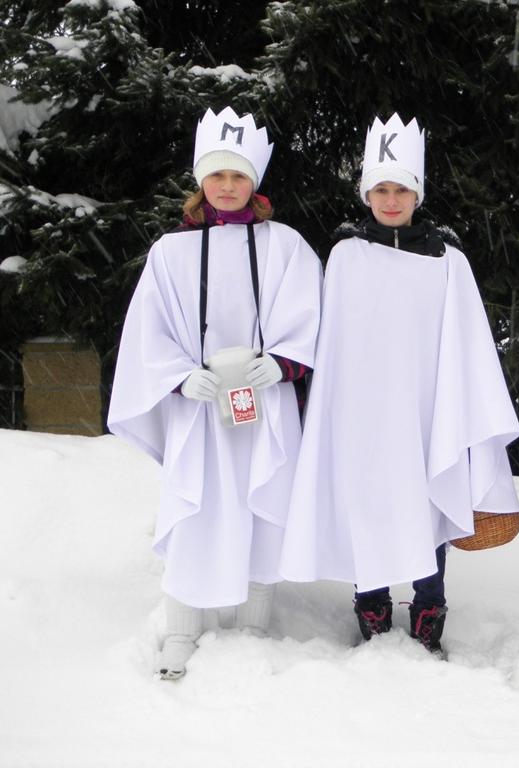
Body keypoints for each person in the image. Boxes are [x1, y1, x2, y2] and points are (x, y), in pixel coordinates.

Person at [278, 114, 519, 658]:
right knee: (370, 501)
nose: (392, 200)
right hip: (363, 410)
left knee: (428, 498)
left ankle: (430, 599)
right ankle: (372, 599)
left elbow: (467, 343)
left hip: (427, 406)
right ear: (368, 194)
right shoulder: (345, 257)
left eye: (402, 189)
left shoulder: (446, 260)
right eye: (381, 190)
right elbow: (332, 339)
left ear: (418, 193)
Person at [108, 107, 323, 679]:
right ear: (200, 179)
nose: (227, 187)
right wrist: (179, 374)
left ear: (256, 180)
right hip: (199, 408)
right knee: (195, 506)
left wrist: (281, 364)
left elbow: (310, 316)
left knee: (262, 507)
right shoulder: (169, 254)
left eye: (239, 175)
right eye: (217, 175)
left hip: (262, 406)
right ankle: (182, 628)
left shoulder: (286, 246)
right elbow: (147, 333)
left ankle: (252, 627)